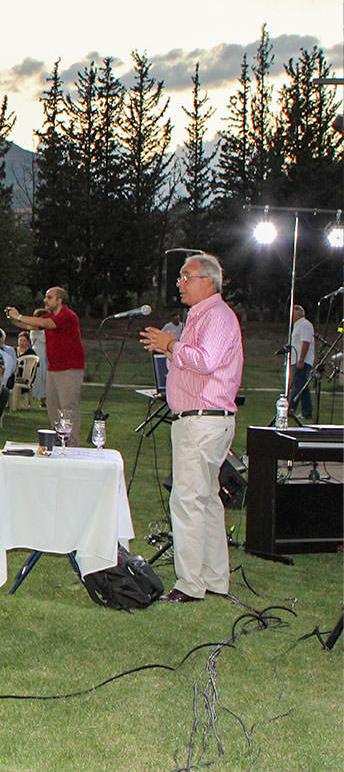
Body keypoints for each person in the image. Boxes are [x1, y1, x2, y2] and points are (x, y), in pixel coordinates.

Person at [139, 254, 242, 603]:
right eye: (181, 277)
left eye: (187, 277)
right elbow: (194, 361)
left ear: (209, 281)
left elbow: (205, 360)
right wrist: (170, 350)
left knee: (187, 501)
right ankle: (214, 579)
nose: (180, 283)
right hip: (203, 420)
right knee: (206, 501)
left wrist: (171, 346)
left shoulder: (215, 316)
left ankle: (189, 585)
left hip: (202, 420)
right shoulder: (201, 316)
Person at [6, 286, 85, 445]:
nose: (45, 300)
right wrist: (13, 318)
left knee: (68, 406)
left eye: (49, 297)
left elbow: (44, 323)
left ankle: (72, 443)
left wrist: (20, 315)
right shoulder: (51, 317)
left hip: (69, 368)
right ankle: (58, 439)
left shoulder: (68, 316)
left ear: (59, 300)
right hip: (54, 368)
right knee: (53, 407)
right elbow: (31, 326)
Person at [288, 304, 315, 421]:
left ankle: (290, 409)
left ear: (298, 313)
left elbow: (305, 342)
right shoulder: (297, 326)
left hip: (301, 361)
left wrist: (301, 359)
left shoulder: (305, 325)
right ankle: (307, 412)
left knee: (296, 386)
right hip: (296, 359)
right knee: (303, 387)